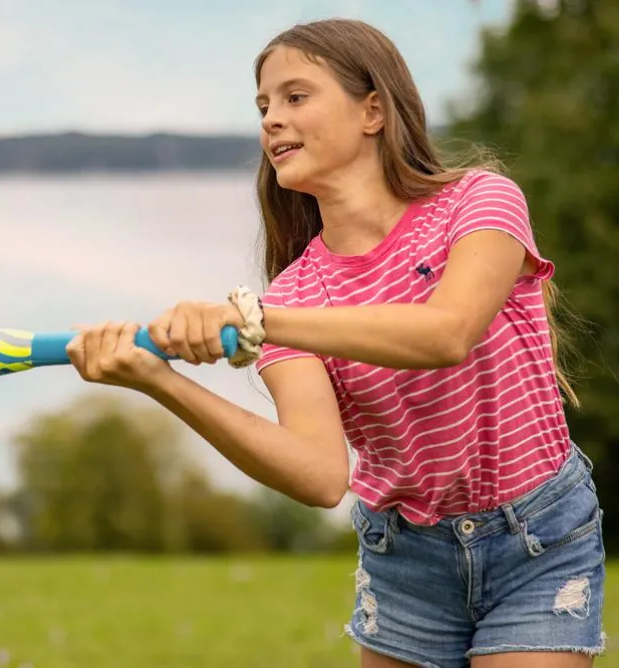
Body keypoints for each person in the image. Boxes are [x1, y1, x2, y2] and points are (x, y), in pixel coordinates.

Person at [65, 17, 606, 668]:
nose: (271, 119)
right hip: (406, 558)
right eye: (263, 106)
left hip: (539, 539)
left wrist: (255, 320)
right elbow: (321, 475)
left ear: (373, 109)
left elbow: (446, 333)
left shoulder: (478, 203)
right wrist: (161, 382)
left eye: (296, 96)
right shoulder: (292, 295)